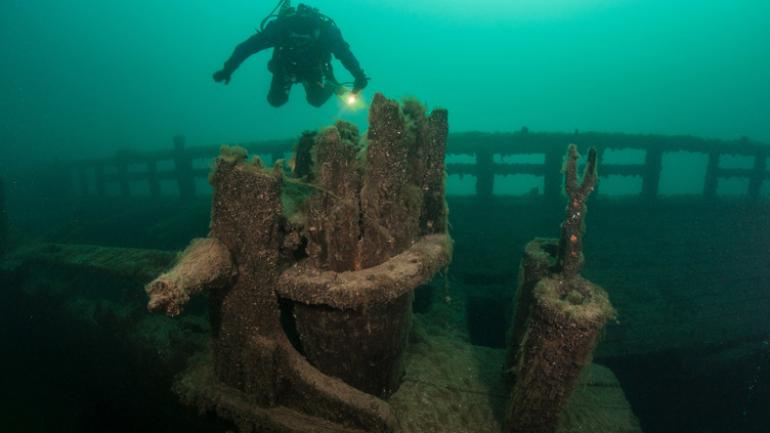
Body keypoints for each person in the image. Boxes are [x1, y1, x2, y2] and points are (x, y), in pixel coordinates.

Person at [213, 2, 368, 107]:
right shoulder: (279, 30)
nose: (300, 40)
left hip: (313, 67)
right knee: (276, 100)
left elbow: (344, 53)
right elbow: (248, 47)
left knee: (316, 100)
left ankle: (332, 86)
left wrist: (359, 75)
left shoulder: (325, 32)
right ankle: (331, 85)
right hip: (285, 66)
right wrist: (228, 69)